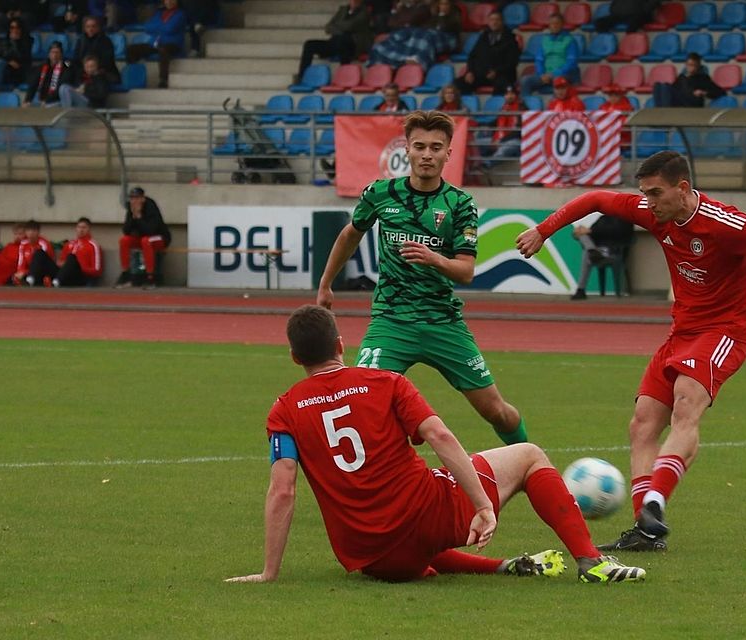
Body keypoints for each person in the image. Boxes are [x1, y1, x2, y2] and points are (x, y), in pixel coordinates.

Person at [515, 151, 746, 551]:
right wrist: (544, 230)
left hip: (724, 332)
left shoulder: (726, 224)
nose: (648, 202)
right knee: (642, 424)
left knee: (685, 405)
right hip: (682, 331)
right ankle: (644, 530)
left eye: (656, 193)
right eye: (643, 193)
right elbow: (594, 199)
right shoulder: (653, 212)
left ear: (683, 189)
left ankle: (655, 503)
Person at [225, 304, 647, 584]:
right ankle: (590, 561)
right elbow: (440, 436)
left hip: (371, 558)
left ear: (295, 357)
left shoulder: (283, 409)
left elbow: (283, 490)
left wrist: (268, 573)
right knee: (529, 455)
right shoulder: (386, 382)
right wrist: (482, 504)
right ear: (340, 344)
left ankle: (504, 567)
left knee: (412, 536)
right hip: (428, 518)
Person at [317, 110, 529, 446]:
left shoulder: (460, 204)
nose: (427, 154)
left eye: (435, 147)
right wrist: (326, 283)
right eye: (419, 146)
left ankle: (530, 462)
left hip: (442, 322)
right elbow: (350, 234)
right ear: (407, 150)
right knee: (362, 404)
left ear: (448, 153)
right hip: (391, 320)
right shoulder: (380, 194)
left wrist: (434, 259)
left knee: (495, 411)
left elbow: (466, 271)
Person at [295, 0, 372, 84]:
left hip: (352, 44)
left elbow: (350, 26)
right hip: (335, 42)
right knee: (309, 44)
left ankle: (345, 75)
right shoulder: (343, 9)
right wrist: (340, 28)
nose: (353, 2)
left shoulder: (364, 12)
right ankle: (302, 76)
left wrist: (336, 26)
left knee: (344, 39)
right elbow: (328, 27)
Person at [114, 186, 172, 289]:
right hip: (141, 238)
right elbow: (126, 231)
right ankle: (126, 274)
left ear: (143, 199)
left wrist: (140, 217)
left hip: (159, 237)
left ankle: (150, 277)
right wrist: (133, 216)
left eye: (137, 198)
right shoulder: (130, 209)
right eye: (132, 198)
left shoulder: (151, 206)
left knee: (146, 241)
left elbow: (151, 230)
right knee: (124, 241)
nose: (134, 201)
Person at [453, 10, 519, 96]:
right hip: (481, 75)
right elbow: (472, 56)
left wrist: (496, 72)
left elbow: (512, 62)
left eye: (497, 20)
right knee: (458, 84)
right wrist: (470, 72)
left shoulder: (510, 39)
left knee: (504, 86)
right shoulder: (483, 37)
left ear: (502, 22)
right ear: (488, 22)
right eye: (491, 20)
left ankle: (496, 108)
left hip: (501, 75)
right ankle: (465, 106)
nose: (494, 22)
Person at [569, 214, 635, 300]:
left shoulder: (625, 218)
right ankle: (592, 251)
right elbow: (592, 233)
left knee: (587, 254)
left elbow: (617, 232)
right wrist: (580, 231)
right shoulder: (603, 218)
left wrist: (590, 231)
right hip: (599, 250)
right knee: (583, 237)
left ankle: (581, 289)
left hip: (613, 251)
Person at [125, 0, 187, 89]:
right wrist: (163, 26)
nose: (169, 2)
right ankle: (132, 77)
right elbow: (147, 27)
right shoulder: (159, 13)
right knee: (131, 49)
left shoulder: (180, 14)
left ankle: (163, 80)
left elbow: (170, 28)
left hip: (173, 44)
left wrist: (157, 26)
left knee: (163, 50)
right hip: (155, 44)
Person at [28, 217, 103, 287]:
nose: (81, 230)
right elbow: (61, 261)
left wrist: (79, 267)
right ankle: (31, 278)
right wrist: (62, 264)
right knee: (39, 253)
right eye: (79, 227)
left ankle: (56, 281)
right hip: (63, 274)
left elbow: (97, 270)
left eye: (84, 227)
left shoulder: (93, 245)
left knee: (72, 257)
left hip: (79, 276)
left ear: (89, 229)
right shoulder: (69, 244)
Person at [520, 14, 580, 97]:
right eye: (552, 23)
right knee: (525, 80)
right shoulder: (545, 40)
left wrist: (554, 74)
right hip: (545, 75)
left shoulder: (570, 40)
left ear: (562, 25)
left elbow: (571, 62)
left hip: (564, 74)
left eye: (557, 23)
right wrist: (541, 74)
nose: (554, 26)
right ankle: (525, 104)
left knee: (558, 81)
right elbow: (539, 60)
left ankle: (554, 107)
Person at [652, 53, 726, 108]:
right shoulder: (681, 77)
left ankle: (664, 114)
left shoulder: (703, 78)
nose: (692, 68)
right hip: (680, 102)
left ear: (699, 66)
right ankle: (660, 113)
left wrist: (703, 92)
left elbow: (721, 92)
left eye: (694, 65)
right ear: (686, 65)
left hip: (692, 103)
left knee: (666, 87)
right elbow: (673, 90)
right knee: (659, 85)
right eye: (689, 65)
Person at [478, 83, 524, 170]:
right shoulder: (504, 108)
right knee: (477, 142)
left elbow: (519, 131)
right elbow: (496, 122)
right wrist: (485, 126)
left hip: (516, 141)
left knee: (506, 148)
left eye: (512, 94)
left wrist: (501, 141)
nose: (509, 96)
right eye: (507, 94)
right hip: (498, 139)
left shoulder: (522, 108)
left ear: (516, 95)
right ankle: (475, 165)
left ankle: (487, 165)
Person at [71, 15, 121, 85]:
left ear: (98, 28)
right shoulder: (80, 41)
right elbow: (76, 59)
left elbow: (108, 61)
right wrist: (85, 69)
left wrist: (92, 69)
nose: (90, 29)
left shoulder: (106, 41)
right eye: (88, 27)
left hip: (102, 72)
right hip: (84, 71)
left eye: (93, 26)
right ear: (84, 28)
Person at [25, 41, 71, 106]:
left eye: (57, 52)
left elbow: (60, 87)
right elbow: (33, 84)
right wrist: (27, 100)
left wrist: (47, 101)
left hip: (57, 101)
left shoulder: (66, 67)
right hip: (42, 100)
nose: (55, 55)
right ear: (49, 54)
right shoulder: (42, 66)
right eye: (52, 52)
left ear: (61, 54)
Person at [12, 219, 54, 286]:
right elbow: (21, 262)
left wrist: (26, 273)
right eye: (28, 230)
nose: (31, 233)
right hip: (29, 272)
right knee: (14, 277)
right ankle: (27, 280)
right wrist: (21, 272)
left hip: (45, 271)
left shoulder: (43, 243)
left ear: (38, 232)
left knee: (38, 253)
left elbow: (45, 263)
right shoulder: (23, 244)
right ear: (25, 232)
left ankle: (29, 280)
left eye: (34, 230)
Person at [593, 0, 661, 33]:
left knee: (635, 22)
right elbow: (614, 5)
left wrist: (643, 10)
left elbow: (654, 2)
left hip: (640, 14)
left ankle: (630, 42)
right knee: (600, 23)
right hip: (621, 14)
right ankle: (605, 42)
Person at [598, 82, 633, 147]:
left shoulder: (627, 107)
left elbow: (624, 125)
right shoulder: (604, 106)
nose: (613, 97)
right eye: (611, 95)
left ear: (621, 95)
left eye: (616, 95)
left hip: (622, 138)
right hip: (606, 137)